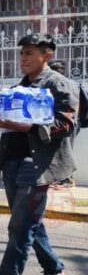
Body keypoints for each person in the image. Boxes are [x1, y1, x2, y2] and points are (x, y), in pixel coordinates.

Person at [0, 34, 77, 275]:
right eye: (22, 53)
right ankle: (54, 267)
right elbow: (8, 118)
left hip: (36, 165)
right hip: (11, 161)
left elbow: (66, 124)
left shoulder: (59, 84)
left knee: (20, 225)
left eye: (30, 53)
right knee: (29, 222)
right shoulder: (19, 86)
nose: (23, 57)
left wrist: (28, 127)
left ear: (46, 55)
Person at [47, 60, 77, 188]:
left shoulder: (64, 84)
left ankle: (67, 179)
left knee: (65, 150)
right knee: (61, 150)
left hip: (65, 122)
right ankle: (60, 178)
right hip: (63, 122)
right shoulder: (62, 83)